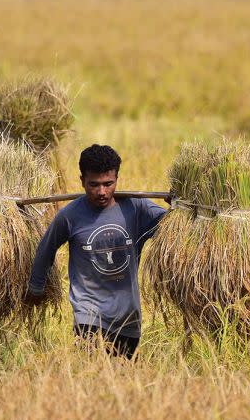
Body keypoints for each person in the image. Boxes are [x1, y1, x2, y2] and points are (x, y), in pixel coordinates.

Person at [26, 144, 167, 359]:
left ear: (117, 179)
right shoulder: (70, 215)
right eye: (94, 185)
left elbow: (172, 230)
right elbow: (46, 249)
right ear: (82, 180)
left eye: (108, 184)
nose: (101, 192)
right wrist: (36, 288)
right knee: (92, 373)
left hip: (128, 316)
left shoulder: (137, 208)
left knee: (123, 381)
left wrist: (178, 208)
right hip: (88, 313)